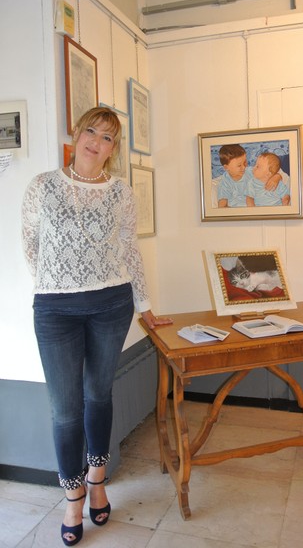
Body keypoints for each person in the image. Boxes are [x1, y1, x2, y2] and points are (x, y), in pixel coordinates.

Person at [21, 106, 172, 546]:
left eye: (107, 137)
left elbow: (130, 250)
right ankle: (73, 498)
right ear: (76, 133)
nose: (96, 141)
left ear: (113, 149)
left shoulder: (121, 192)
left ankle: (98, 479)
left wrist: (145, 306)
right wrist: (59, 282)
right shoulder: (42, 186)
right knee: (65, 409)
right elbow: (31, 244)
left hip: (111, 305)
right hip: (55, 310)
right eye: (91, 131)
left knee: (98, 396)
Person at [217, 144, 283, 207]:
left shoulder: (251, 171)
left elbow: (273, 172)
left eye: (245, 162)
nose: (244, 167)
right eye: (239, 165)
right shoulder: (225, 183)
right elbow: (222, 206)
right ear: (226, 167)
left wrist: (277, 177)